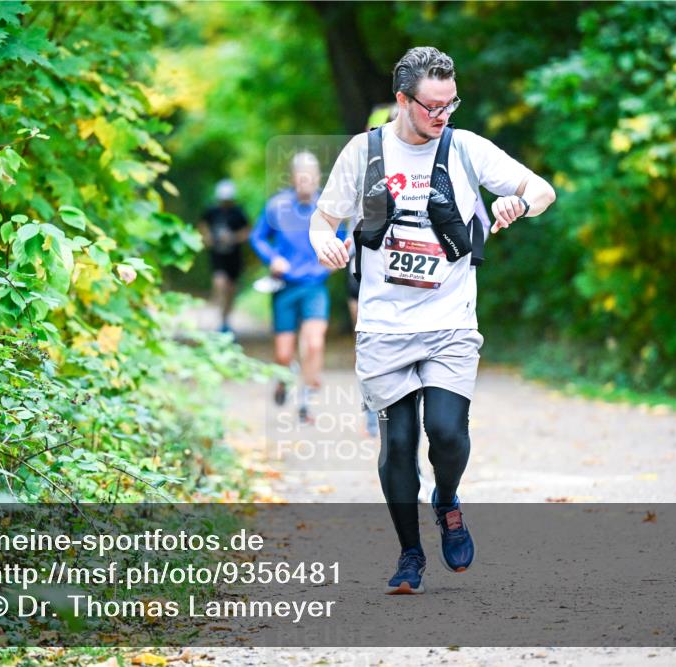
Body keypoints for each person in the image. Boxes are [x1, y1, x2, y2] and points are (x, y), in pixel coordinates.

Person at [310, 47, 555, 594]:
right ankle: (409, 556)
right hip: (384, 326)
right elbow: (323, 219)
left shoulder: (465, 148)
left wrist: (520, 206)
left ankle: (446, 498)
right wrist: (325, 240)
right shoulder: (364, 151)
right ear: (403, 100)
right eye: (432, 106)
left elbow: (541, 189)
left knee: (445, 433)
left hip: (449, 322)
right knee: (397, 446)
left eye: (451, 103)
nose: (443, 115)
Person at [251, 152, 346, 423]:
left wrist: (335, 256)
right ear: (293, 178)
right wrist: (273, 259)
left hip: (315, 285)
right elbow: (258, 238)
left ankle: (305, 402)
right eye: (301, 176)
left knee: (315, 344)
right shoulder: (277, 206)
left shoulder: (327, 206)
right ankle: (283, 381)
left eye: (312, 176)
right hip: (285, 286)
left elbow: (343, 237)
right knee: (283, 353)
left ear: (318, 178)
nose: (307, 182)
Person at [198, 180, 250, 334]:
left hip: (234, 257)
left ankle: (225, 320)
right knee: (219, 282)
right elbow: (202, 225)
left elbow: (247, 231)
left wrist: (234, 238)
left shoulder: (238, 212)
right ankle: (216, 315)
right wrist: (207, 237)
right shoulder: (212, 211)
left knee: (231, 289)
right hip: (217, 256)